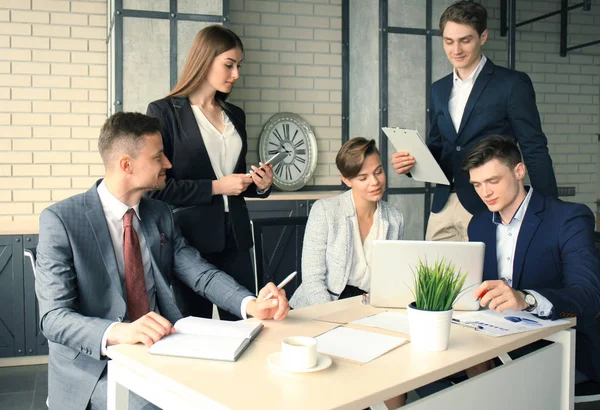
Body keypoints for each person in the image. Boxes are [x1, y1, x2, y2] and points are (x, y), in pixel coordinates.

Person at [35, 112, 290, 410]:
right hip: (96, 367)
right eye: (158, 157)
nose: (168, 164)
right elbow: (52, 318)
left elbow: (200, 274)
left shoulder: (160, 213)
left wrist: (250, 304)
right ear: (126, 165)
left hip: (164, 349)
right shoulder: (61, 220)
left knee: (242, 388)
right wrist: (122, 332)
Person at [391, 0, 557, 241]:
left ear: (483, 36)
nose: (455, 49)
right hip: (443, 205)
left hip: (489, 203)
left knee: (486, 278)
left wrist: (548, 208)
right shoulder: (438, 89)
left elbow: (534, 147)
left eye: (465, 40)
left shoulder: (512, 84)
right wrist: (412, 163)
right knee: (435, 277)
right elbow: (439, 147)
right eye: (449, 41)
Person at [146, 25, 273, 321]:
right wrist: (216, 187)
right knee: (195, 327)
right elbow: (156, 187)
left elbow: (236, 180)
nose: (236, 74)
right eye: (229, 65)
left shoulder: (235, 115)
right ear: (205, 60)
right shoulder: (164, 112)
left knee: (247, 323)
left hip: (237, 237)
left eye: (238, 66)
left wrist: (261, 185)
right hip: (189, 239)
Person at [464, 135, 600, 382]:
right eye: (477, 184)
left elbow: (589, 295)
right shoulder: (478, 224)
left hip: (557, 346)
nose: (485, 193)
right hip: (496, 343)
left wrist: (525, 298)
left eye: (493, 181)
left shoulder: (568, 218)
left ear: (519, 171)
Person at [290, 138, 404, 307]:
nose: (374, 182)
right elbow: (313, 280)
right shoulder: (325, 211)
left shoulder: (394, 218)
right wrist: (332, 316)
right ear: (346, 180)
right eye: (363, 178)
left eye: (378, 172)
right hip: (321, 306)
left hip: (367, 306)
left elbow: (393, 276)